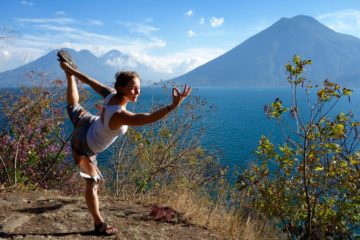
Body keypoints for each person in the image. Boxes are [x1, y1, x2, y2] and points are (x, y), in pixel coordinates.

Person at [57, 50, 191, 236]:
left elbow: (88, 80)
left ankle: (68, 75)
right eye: (133, 88)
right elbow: (148, 118)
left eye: (138, 87)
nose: (138, 91)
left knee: (74, 107)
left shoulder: (110, 94)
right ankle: (99, 224)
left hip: (88, 123)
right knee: (93, 183)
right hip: (84, 145)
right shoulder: (120, 115)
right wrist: (172, 106)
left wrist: (71, 70)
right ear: (121, 88)